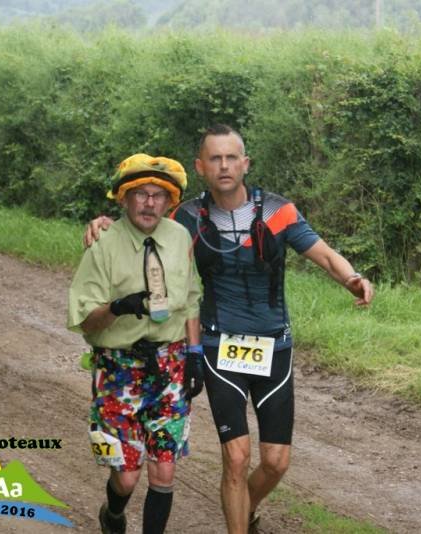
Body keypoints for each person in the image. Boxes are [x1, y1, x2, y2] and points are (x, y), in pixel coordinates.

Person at [85, 124, 374, 534]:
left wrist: (353, 279)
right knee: (236, 458)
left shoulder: (277, 211)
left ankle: (244, 508)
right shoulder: (187, 217)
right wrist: (103, 224)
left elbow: (324, 255)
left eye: (231, 157)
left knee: (275, 462)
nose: (224, 165)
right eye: (215, 159)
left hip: (276, 347)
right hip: (220, 347)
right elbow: (139, 225)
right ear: (201, 167)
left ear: (245, 163)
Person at [68, 154, 204, 534]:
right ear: (124, 199)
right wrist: (118, 307)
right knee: (127, 476)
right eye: (140, 194)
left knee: (164, 469)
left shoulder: (179, 238)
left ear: (169, 202)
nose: (149, 202)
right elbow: (85, 319)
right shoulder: (103, 243)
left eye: (158, 195)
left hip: (170, 363)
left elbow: (191, 297)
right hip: (119, 367)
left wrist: (194, 354)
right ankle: (112, 515)